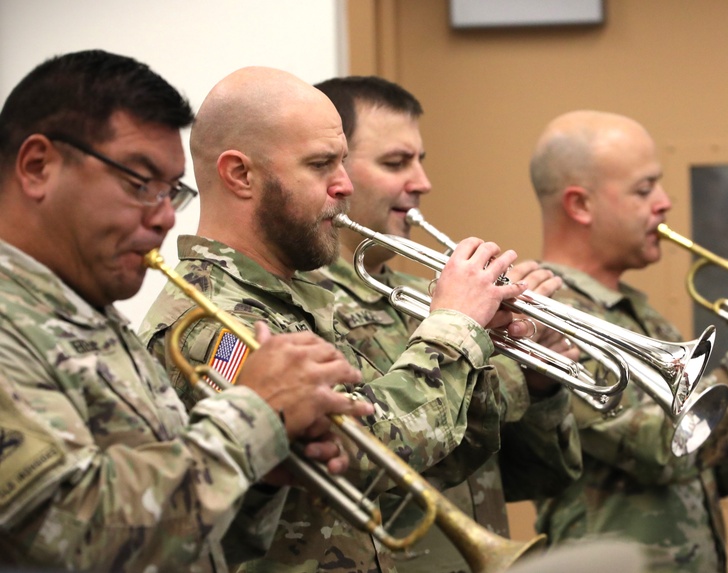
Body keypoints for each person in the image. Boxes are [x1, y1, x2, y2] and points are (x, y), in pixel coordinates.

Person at [139, 66, 533, 572]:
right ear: (240, 174)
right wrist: (454, 328)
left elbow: (434, 463)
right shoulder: (208, 323)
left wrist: (481, 344)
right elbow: (361, 451)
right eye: (322, 164)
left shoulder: (300, 296)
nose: (344, 186)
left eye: (344, 162)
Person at [0, 50, 372, 572]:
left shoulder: (90, 315)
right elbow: (77, 535)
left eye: (171, 191)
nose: (164, 218)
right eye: (139, 185)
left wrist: (261, 475)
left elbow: (191, 548)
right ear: (39, 166)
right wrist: (255, 416)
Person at [528, 110, 728, 572]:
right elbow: (665, 448)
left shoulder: (641, 315)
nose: (665, 202)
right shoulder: (551, 318)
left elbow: (718, 468)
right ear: (580, 206)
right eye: (643, 189)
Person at [312, 75, 582, 573]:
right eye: (396, 162)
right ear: (335, 171)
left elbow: (536, 477)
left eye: (420, 160)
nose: (422, 182)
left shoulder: (424, 297)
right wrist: (467, 336)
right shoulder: (306, 307)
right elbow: (371, 461)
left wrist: (541, 383)